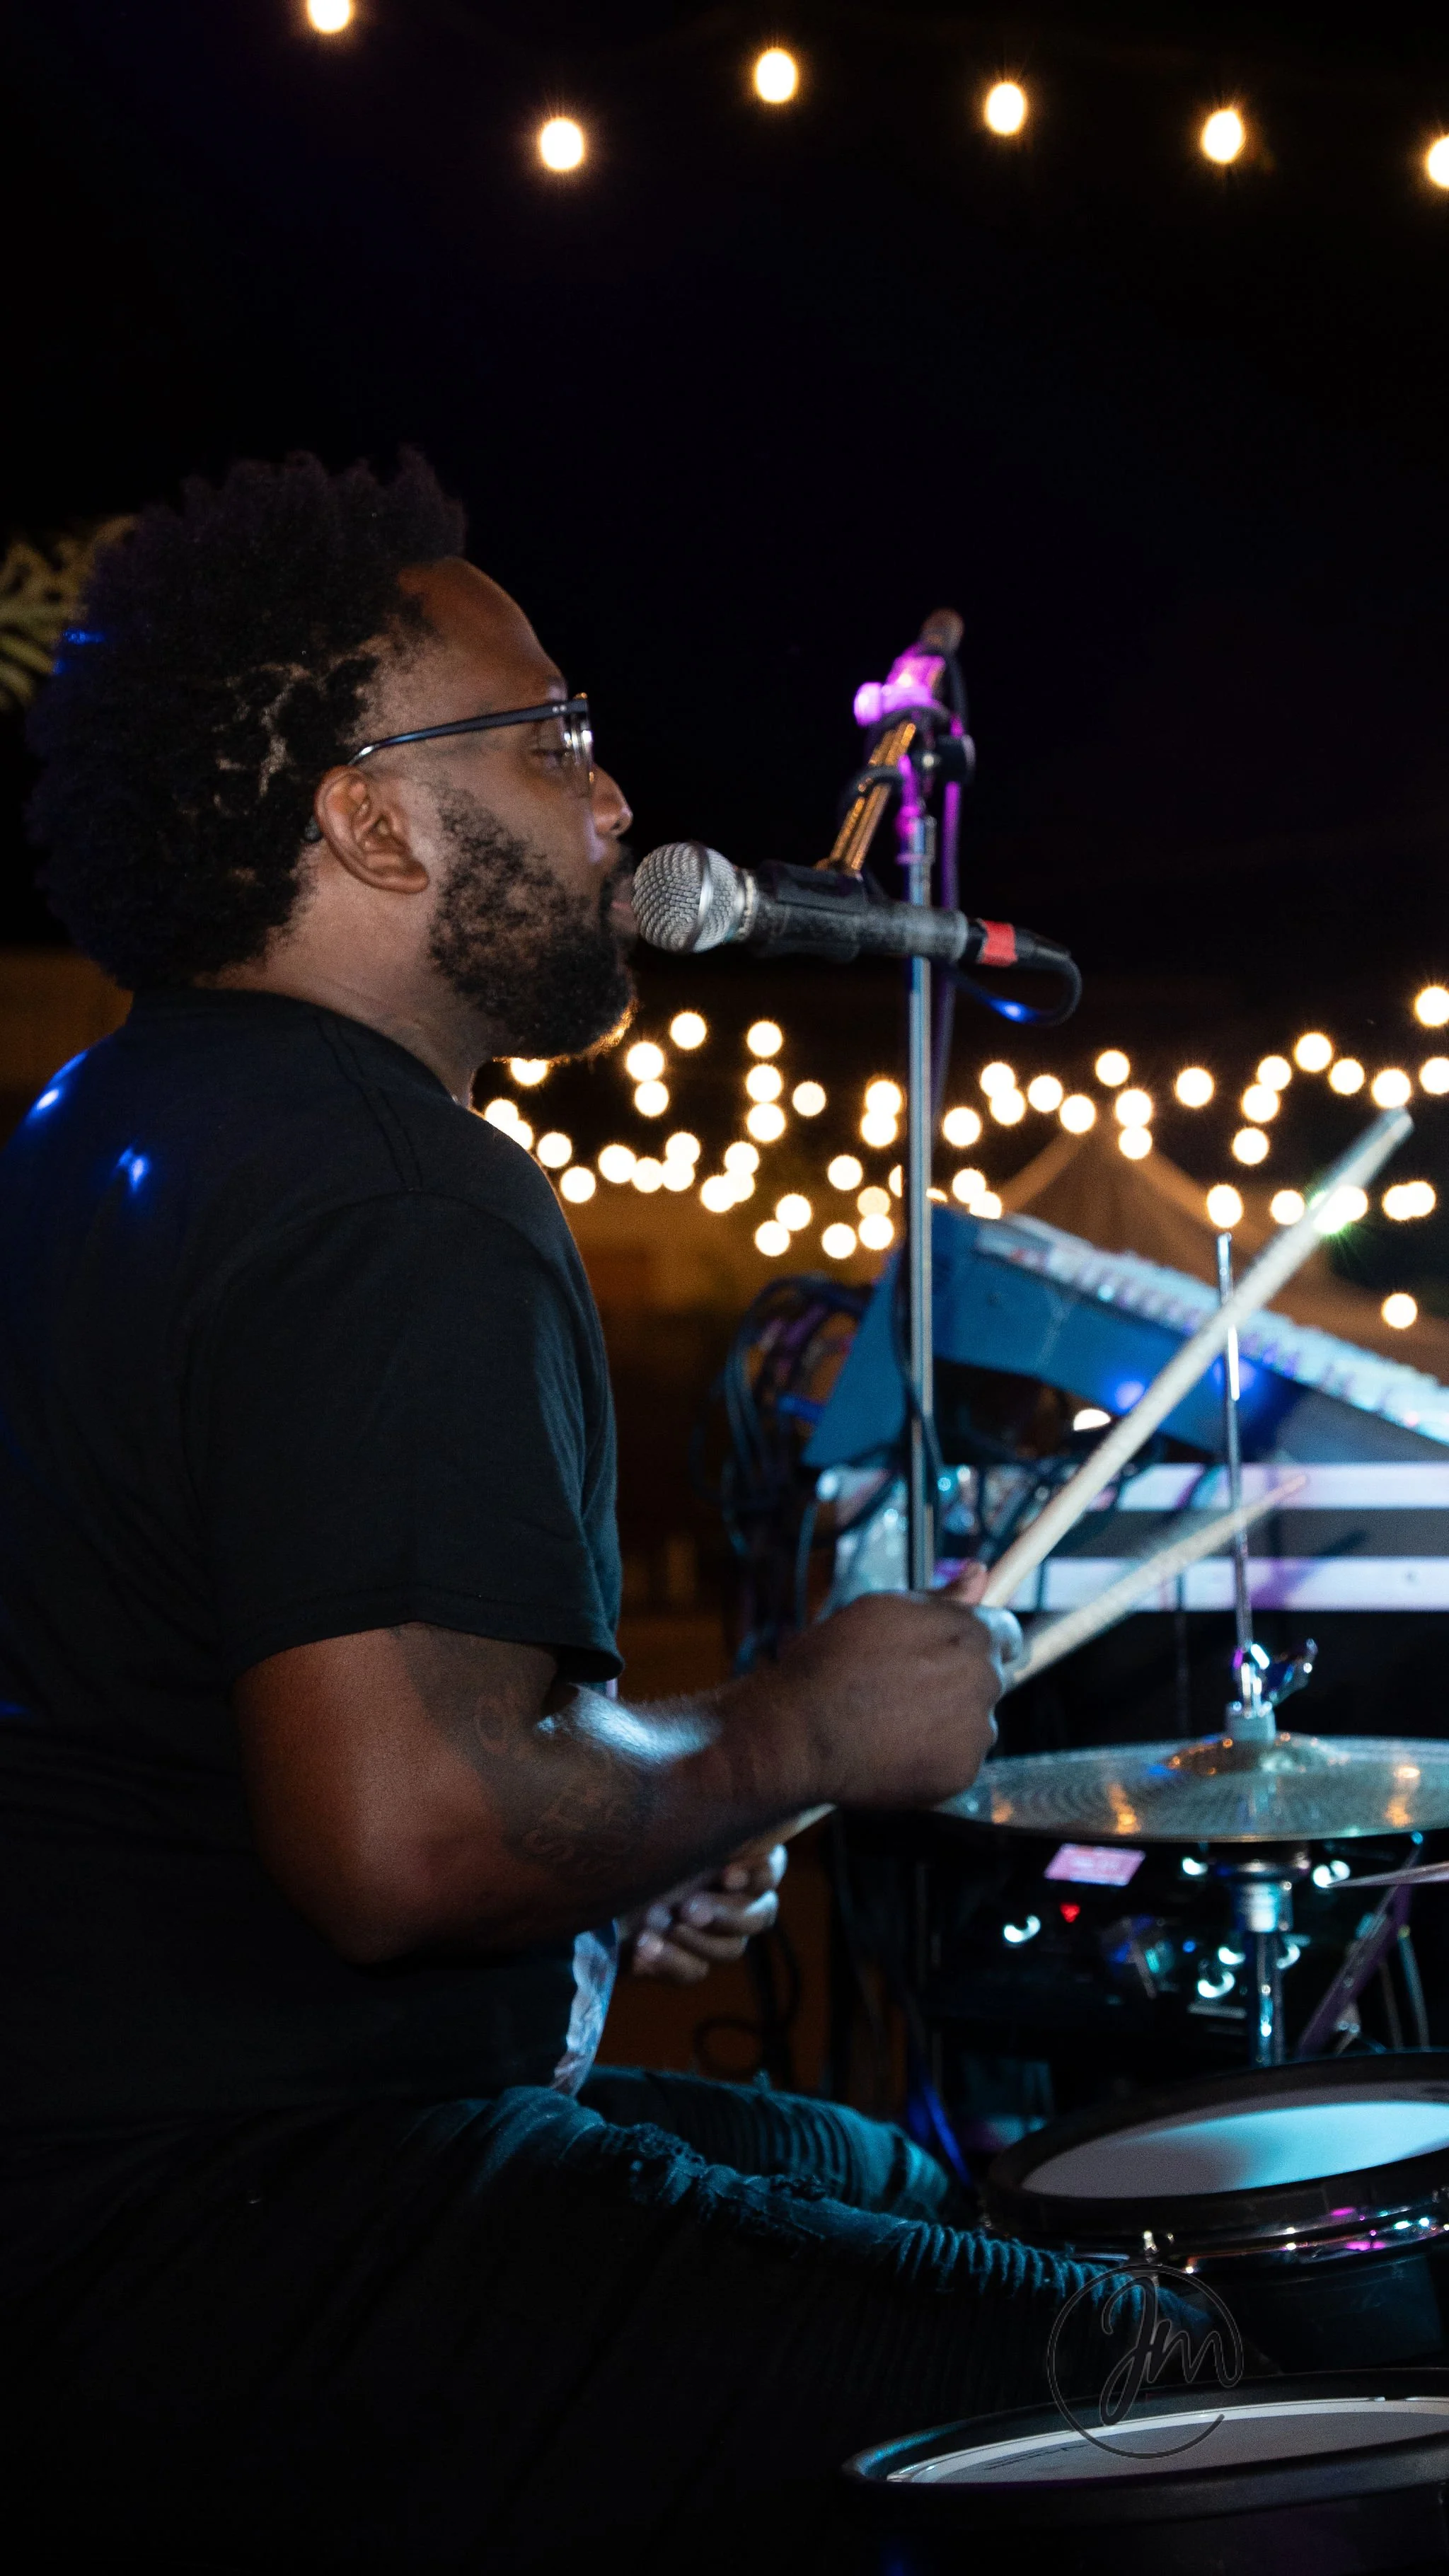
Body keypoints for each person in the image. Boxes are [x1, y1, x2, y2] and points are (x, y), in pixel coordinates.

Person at [0, 452, 1135, 2573]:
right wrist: (791, 1734)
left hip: (115, 2188)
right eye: (558, 740)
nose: (616, 805)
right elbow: (400, 1842)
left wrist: (641, 1826)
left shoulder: (108, 1123)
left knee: (883, 2193)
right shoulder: (394, 1182)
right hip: (248, 2247)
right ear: (368, 815)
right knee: (1135, 2388)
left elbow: (234, 1755)